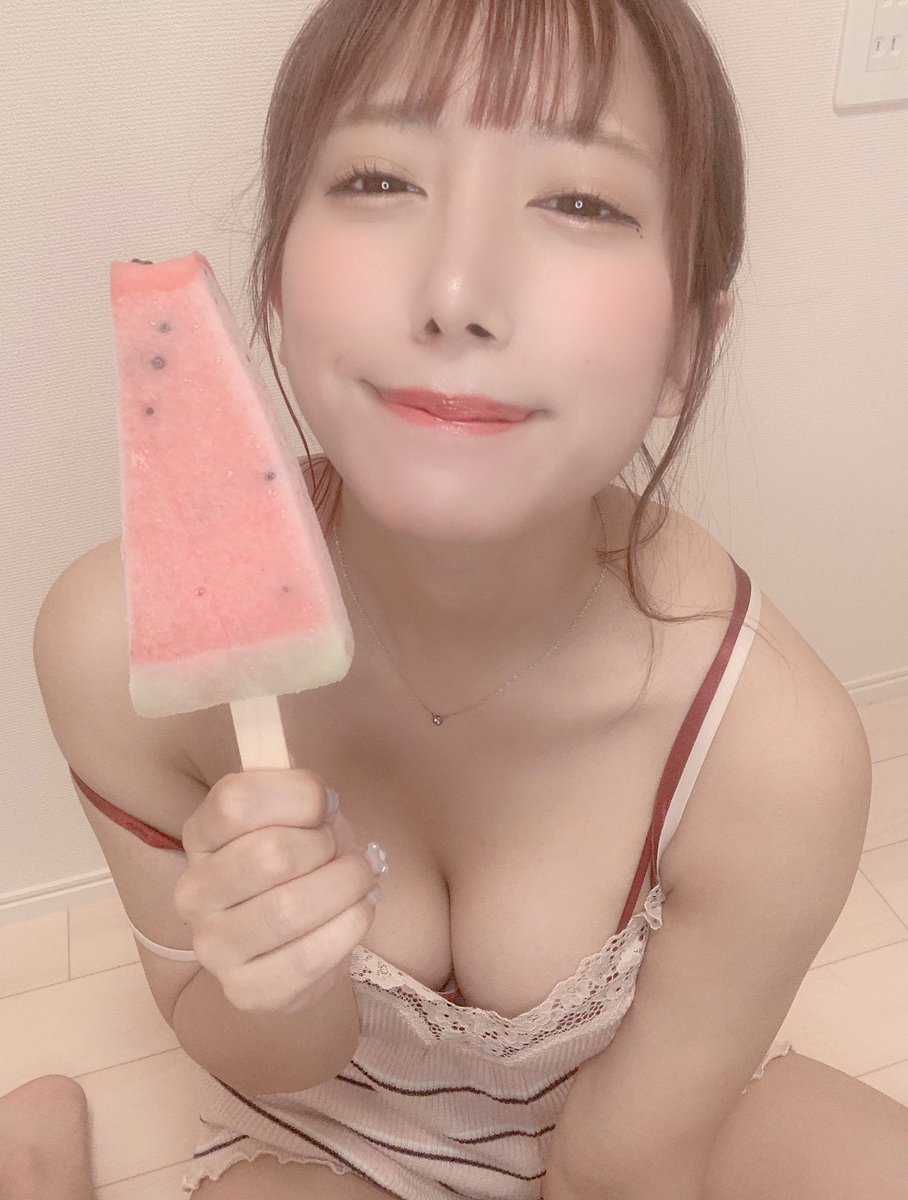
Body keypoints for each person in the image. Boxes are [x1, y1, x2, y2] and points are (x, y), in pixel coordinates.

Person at [27, 1, 908, 1199]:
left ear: (685, 349)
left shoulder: (770, 750)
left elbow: (623, 1163)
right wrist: (282, 979)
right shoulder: (110, 648)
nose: (454, 291)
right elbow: (233, 1034)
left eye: (580, 201)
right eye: (379, 179)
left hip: (632, 1114)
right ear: (274, 277)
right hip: (317, 1127)